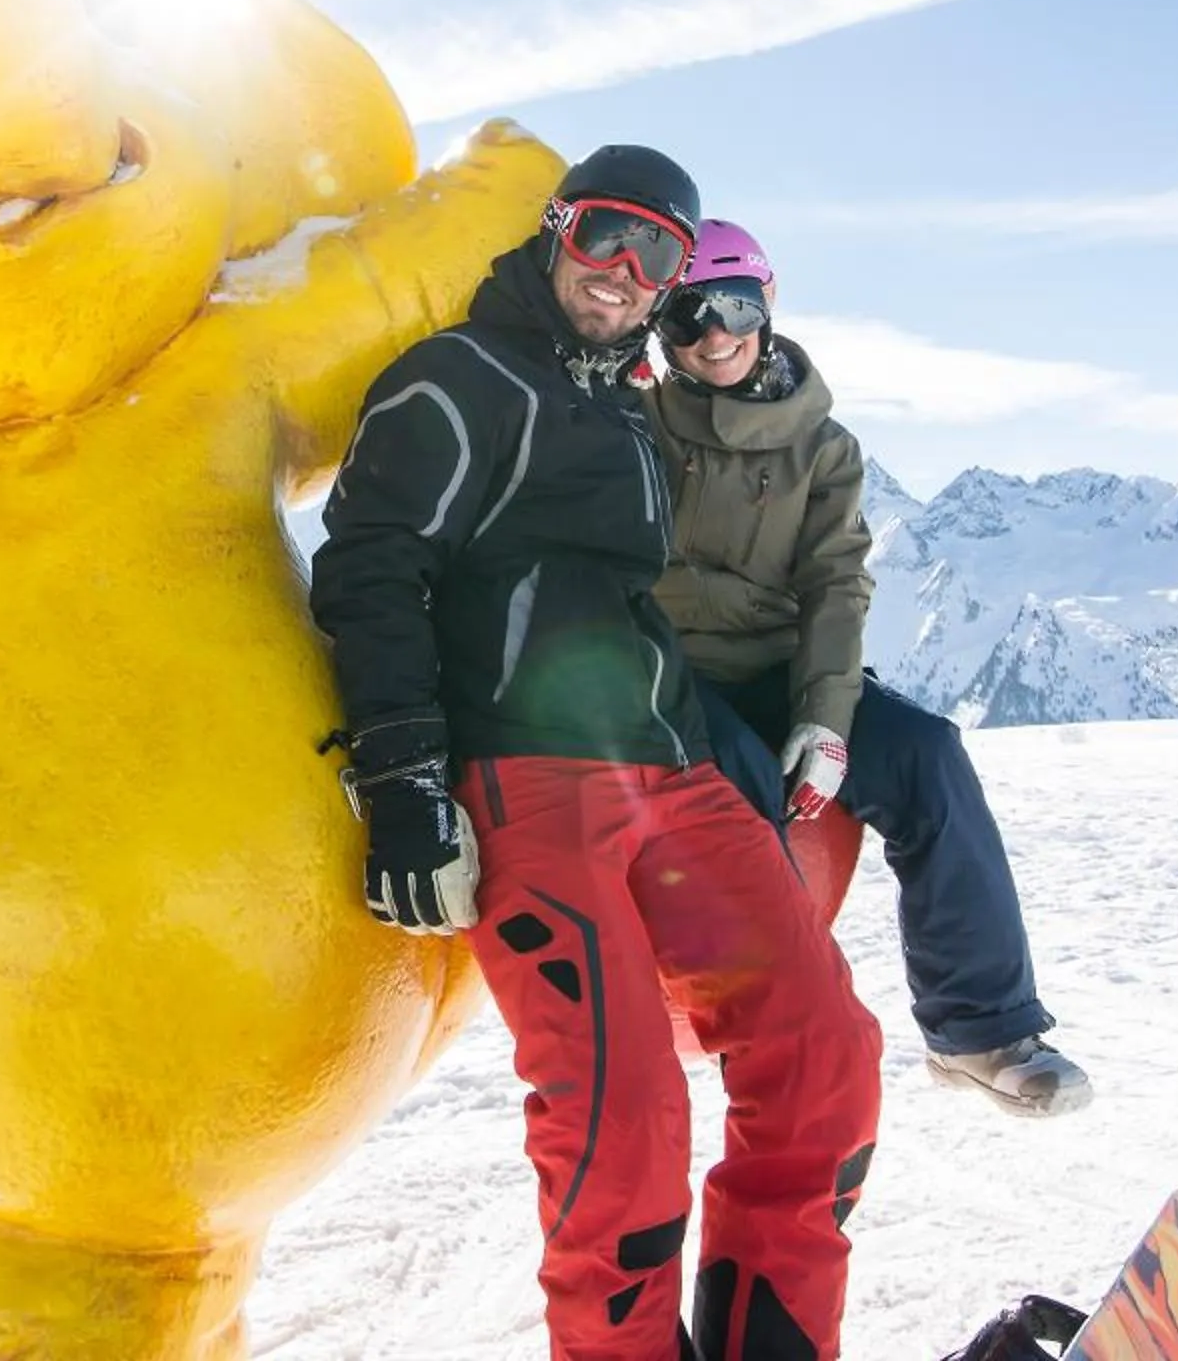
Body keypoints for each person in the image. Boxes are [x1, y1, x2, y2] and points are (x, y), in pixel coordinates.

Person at [309, 148, 884, 1361]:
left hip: (670, 769)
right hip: (529, 781)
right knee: (621, 1118)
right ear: (558, 230)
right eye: (607, 238)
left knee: (825, 1055)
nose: (625, 275)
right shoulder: (453, 381)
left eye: (658, 256)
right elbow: (368, 570)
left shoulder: (623, 410)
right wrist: (405, 783)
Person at [644, 219, 1092, 1118]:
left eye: (731, 307)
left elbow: (836, 582)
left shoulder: (821, 447)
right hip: (673, 669)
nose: (713, 336)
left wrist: (826, 717)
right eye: (686, 318)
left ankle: (979, 1031)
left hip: (782, 665)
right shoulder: (637, 426)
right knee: (739, 789)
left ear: (766, 307)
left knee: (927, 755)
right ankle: (770, 1041)